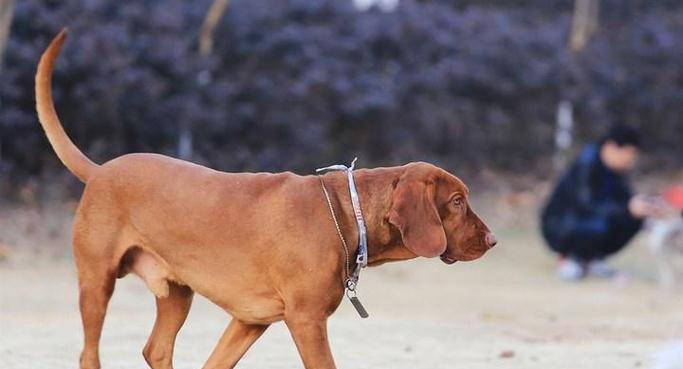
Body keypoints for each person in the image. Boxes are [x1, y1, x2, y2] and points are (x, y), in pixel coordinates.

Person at [541, 125, 659, 281]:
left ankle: (592, 259)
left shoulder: (615, 171)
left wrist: (643, 205)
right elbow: (586, 205)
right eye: (629, 154)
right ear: (611, 147)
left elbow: (626, 201)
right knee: (599, 223)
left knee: (633, 218)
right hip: (561, 226)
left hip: (591, 222)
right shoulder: (587, 163)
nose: (630, 160)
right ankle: (569, 258)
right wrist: (626, 208)